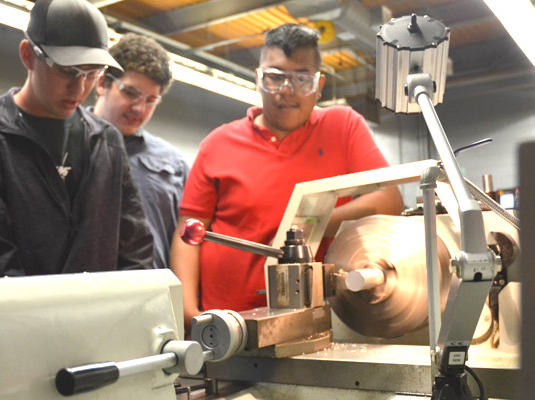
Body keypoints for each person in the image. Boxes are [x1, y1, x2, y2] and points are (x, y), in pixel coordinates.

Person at [170, 23, 404, 332]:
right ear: (258, 78)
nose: (287, 90)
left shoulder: (342, 127)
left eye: (302, 79)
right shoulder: (218, 143)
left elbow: (389, 200)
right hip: (229, 321)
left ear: (319, 85)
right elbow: (188, 233)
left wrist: (307, 225)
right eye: (275, 77)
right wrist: (189, 311)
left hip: (315, 318)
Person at [0, 0, 153, 278]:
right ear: (28, 55)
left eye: (92, 73)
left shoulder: (107, 141)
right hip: (18, 316)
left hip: (100, 315)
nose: (79, 88)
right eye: (67, 71)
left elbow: (135, 247)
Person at [93, 33, 188, 269]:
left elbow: (184, 244)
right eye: (130, 92)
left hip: (154, 295)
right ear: (102, 83)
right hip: (87, 293)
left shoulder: (173, 164)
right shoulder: (67, 145)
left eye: (150, 100)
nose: (139, 108)